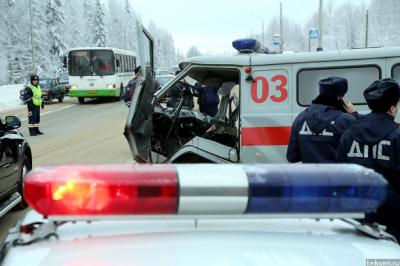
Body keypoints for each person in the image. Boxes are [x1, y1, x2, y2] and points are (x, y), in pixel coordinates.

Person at [338, 78, 400, 241]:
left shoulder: (348, 136)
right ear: (392, 108)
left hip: (356, 214)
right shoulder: (396, 138)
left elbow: (341, 174)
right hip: (392, 218)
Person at [286, 76, 356, 163]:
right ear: (340, 98)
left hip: (311, 175)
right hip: (337, 175)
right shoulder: (346, 120)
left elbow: (292, 157)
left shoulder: (301, 118)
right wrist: (354, 114)